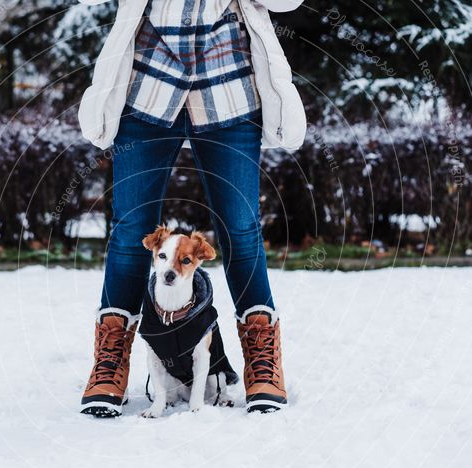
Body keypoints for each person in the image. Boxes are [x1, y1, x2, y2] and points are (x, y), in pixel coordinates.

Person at [77, 0, 307, 416]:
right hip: (147, 87)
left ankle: (261, 359)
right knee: (131, 232)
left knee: (240, 228)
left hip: (229, 88)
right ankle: (110, 361)